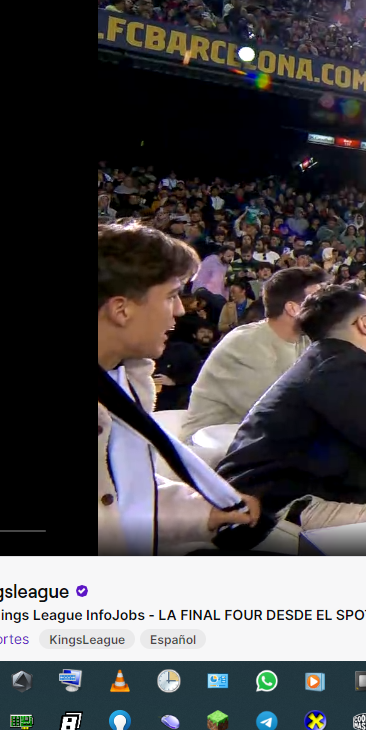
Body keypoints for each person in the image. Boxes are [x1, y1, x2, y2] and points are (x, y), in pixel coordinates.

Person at [216, 286, 366, 547]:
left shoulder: (329, 360)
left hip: (294, 493)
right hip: (276, 506)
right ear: (363, 324)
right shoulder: (337, 366)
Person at [96, 222, 262, 556]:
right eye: (171, 296)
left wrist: (203, 511)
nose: (180, 310)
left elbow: (118, 491)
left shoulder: (124, 379)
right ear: (121, 309)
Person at [184, 266, 324, 435]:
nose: (325, 310)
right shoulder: (245, 344)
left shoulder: (304, 340)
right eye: (317, 302)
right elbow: (275, 412)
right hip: (209, 442)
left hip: (256, 437)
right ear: (292, 309)